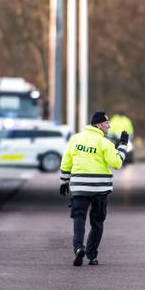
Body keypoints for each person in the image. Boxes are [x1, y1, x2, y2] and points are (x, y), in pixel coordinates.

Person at [60, 111, 129, 266]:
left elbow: (66, 161)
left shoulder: (75, 139)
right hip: (99, 189)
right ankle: (92, 255)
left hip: (79, 187)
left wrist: (64, 181)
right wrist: (123, 145)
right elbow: (117, 163)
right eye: (107, 123)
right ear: (99, 125)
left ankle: (78, 248)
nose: (109, 126)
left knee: (79, 218)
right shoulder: (106, 143)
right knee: (97, 222)